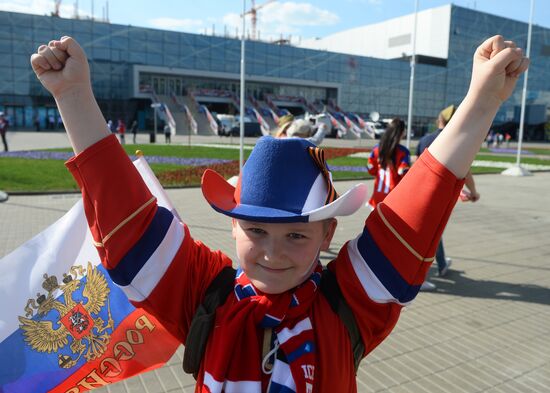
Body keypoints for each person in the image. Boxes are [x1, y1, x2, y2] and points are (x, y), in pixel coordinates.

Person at [31, 35, 528, 392]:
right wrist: (74, 98)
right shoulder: (206, 294)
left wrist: (481, 101)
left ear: (329, 232)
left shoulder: (347, 305)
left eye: (296, 236)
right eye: (255, 229)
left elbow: (412, 218)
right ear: (232, 224)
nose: (271, 253)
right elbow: (129, 223)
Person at [416, 104, 481, 291]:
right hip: (442, 197)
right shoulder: (459, 141)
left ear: (440, 120)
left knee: (430, 233)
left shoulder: (425, 139)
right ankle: (419, 275)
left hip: (421, 193)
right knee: (430, 235)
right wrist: (473, 192)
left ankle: (441, 264)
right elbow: (466, 172)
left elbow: (415, 167)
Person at [366, 118, 410, 210]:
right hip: (393, 197)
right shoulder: (403, 152)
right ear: (401, 133)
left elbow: (371, 170)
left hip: (377, 195)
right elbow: (403, 174)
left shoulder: (376, 149)